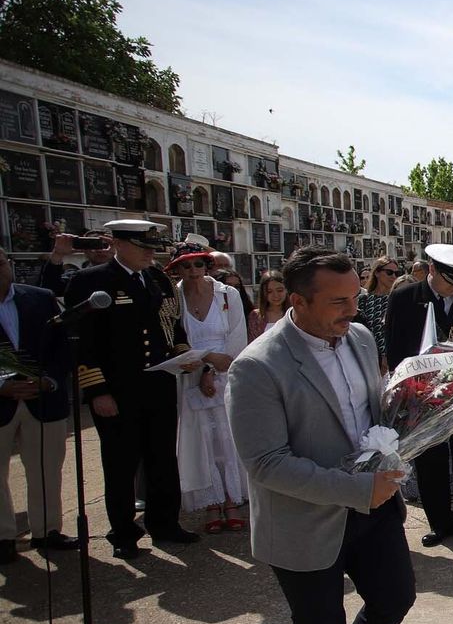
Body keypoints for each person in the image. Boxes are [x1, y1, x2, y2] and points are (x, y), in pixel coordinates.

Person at [226, 247, 410, 624]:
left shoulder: (358, 337)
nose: (352, 309)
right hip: (305, 520)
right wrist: (357, 488)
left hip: (373, 506)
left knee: (395, 596)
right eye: (338, 301)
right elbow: (266, 464)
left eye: (355, 296)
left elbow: (370, 415)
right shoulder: (258, 367)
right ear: (296, 300)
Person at [65, 219, 199, 560]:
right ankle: (123, 532)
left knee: (162, 459)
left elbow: (172, 324)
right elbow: (83, 344)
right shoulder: (91, 282)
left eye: (153, 248)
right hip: (118, 390)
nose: (150, 254)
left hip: (158, 383)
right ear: (118, 244)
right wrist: (97, 391)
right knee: (121, 464)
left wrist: (183, 354)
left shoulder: (156, 279)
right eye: (143, 248)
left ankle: (164, 523)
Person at [385, 243, 453, 546]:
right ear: (431, 269)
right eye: (449, 281)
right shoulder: (405, 298)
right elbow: (395, 349)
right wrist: (410, 390)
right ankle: (440, 522)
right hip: (424, 397)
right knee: (430, 460)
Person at [0, 246, 76, 562]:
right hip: (1, 401)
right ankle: (4, 537)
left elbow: (64, 346)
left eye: (0, 262)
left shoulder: (40, 298)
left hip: (43, 398)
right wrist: (2, 385)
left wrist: (49, 379)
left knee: (46, 468)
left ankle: (47, 530)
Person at [167, 242, 249, 533]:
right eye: (185, 266)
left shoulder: (228, 295)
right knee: (201, 439)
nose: (192, 271)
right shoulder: (171, 298)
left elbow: (238, 335)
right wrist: (201, 365)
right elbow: (172, 336)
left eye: (198, 264)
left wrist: (214, 368)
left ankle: (232, 499)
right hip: (189, 373)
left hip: (226, 370)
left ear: (207, 266)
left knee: (228, 436)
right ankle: (210, 502)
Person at [356, 255, 400, 373]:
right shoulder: (363, 300)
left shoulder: (398, 299)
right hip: (369, 359)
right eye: (389, 272)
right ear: (377, 273)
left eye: (397, 273)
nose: (394, 277)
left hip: (396, 359)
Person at [40, 232, 112, 296]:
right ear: (84, 250)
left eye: (105, 245)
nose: (99, 250)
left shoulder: (121, 272)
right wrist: (58, 254)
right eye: (93, 245)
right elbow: (52, 289)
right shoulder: (78, 277)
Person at [249, 270, 288, 343]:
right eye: (269, 291)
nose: (275, 295)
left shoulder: (295, 313)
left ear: (286, 290)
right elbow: (253, 344)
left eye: (279, 290)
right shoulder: (256, 316)